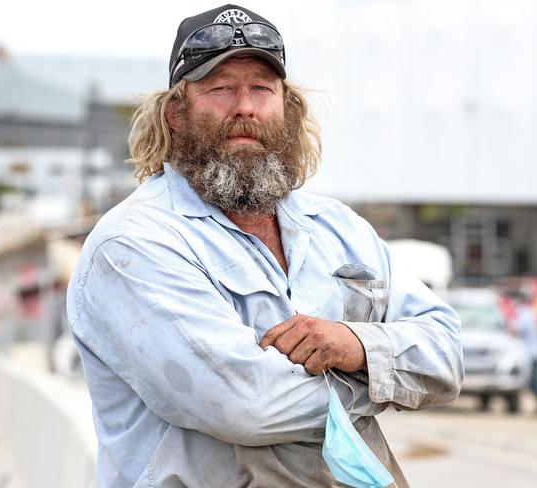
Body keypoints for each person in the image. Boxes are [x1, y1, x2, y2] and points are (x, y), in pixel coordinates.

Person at [67, 4, 464, 487]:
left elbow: (447, 353)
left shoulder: (339, 228)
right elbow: (245, 406)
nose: (245, 107)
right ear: (176, 112)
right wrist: (384, 378)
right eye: (220, 88)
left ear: (286, 107)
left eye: (261, 88)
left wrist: (356, 344)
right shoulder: (134, 243)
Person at [511, 293, 537, 414]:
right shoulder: (531, 312)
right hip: (536, 352)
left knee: (533, 382)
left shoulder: (524, 314)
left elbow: (515, 330)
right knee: (535, 382)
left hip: (531, 354)